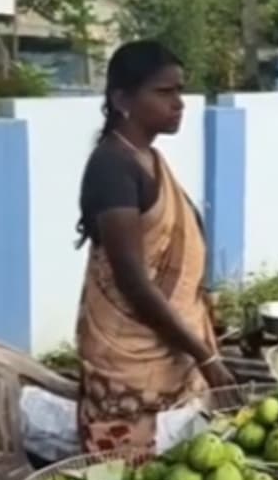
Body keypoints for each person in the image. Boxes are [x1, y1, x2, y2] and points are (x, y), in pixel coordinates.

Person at [73, 39, 235, 454]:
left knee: (184, 474)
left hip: (169, 347)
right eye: (164, 92)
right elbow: (134, 282)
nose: (179, 102)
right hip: (129, 361)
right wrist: (205, 356)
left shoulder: (148, 158)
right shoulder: (112, 166)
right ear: (122, 98)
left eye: (180, 91)